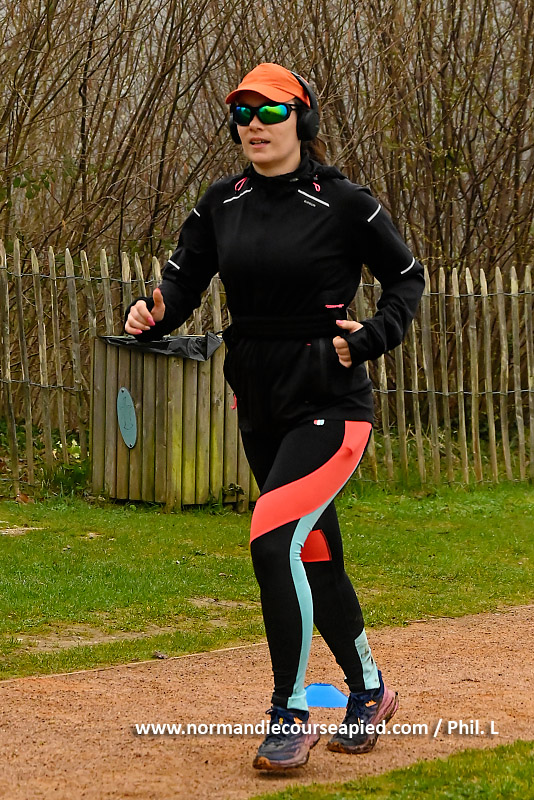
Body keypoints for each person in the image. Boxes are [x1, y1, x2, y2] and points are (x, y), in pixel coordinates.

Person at [125, 63, 425, 771]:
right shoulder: (220, 203)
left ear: (302, 119)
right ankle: (370, 690)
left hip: (331, 406)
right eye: (243, 113)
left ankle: (289, 714)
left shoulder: (344, 202)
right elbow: (181, 284)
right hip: (259, 405)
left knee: (271, 542)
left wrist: (371, 337)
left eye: (270, 111)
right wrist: (152, 312)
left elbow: (407, 278)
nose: (254, 125)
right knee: (314, 556)